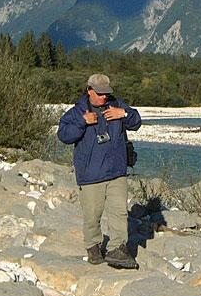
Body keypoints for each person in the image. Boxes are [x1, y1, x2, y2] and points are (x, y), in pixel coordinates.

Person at [57, 73, 142, 269]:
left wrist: (125, 114)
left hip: (117, 171)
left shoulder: (117, 105)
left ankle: (117, 249)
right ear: (89, 90)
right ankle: (93, 247)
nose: (104, 97)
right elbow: (63, 135)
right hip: (91, 174)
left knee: (119, 212)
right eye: (100, 93)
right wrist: (82, 122)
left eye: (107, 93)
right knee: (92, 214)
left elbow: (136, 121)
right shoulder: (76, 112)